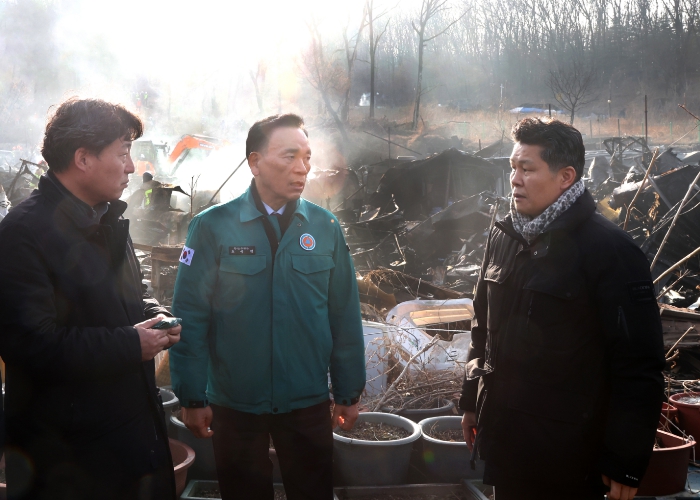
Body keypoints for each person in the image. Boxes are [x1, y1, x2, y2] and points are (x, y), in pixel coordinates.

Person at [459, 117, 664, 500]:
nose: (515, 180)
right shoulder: (504, 237)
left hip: (570, 461)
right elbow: (482, 329)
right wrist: (471, 401)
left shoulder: (610, 251)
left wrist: (625, 461)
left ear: (566, 176)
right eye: (512, 168)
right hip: (506, 448)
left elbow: (638, 366)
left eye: (527, 169)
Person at [170, 113, 365, 500]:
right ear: (255, 162)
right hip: (235, 400)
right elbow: (190, 315)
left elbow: (344, 315)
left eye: (307, 157)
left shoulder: (324, 227)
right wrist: (192, 396)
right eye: (290, 156)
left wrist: (348, 391)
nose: (302, 168)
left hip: (306, 398)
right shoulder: (212, 226)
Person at [0, 97, 181, 500]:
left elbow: (129, 295)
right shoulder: (23, 234)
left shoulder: (107, 219)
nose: (132, 167)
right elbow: (30, 344)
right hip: (68, 459)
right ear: (83, 158)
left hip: (128, 438)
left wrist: (154, 315)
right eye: (123, 153)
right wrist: (131, 344)